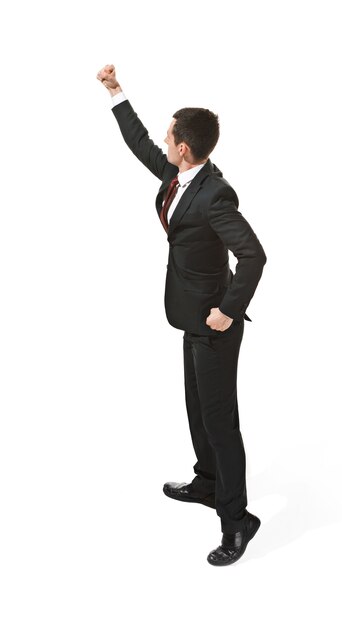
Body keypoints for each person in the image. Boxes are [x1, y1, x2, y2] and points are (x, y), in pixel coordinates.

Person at [96, 64, 267, 566]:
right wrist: (115, 93)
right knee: (197, 409)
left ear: (185, 149)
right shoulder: (180, 174)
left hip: (214, 324)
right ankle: (209, 483)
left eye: (170, 136)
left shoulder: (215, 195)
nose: (164, 141)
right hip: (189, 316)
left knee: (220, 423)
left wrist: (228, 311)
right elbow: (141, 144)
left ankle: (237, 522)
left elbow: (253, 255)